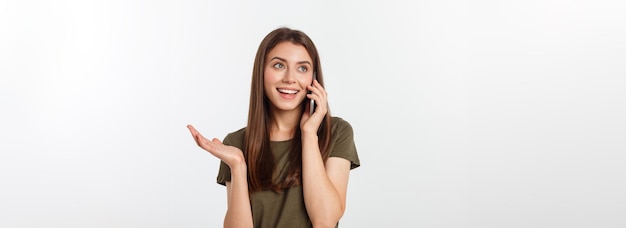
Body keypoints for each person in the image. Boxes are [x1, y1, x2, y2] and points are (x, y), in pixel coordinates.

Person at [187, 27, 360, 228]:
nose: (290, 78)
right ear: (261, 71)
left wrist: (309, 134)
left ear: (314, 79)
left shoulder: (336, 132)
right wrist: (237, 165)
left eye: (302, 68)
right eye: (279, 65)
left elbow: (325, 220)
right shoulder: (236, 144)